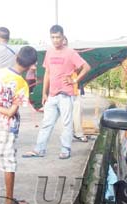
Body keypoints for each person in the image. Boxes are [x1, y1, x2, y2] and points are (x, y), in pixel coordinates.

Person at [0, 46, 37, 204]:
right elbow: (11, 112)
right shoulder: (22, 84)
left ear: (17, 56)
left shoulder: (0, 72)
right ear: (32, 65)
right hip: (5, 127)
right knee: (8, 162)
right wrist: (0, 108)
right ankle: (8, 200)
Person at [23, 25, 91, 160]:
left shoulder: (70, 53)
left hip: (66, 94)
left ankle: (65, 149)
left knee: (66, 124)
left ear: (63, 37)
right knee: (47, 123)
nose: (55, 40)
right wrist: (44, 93)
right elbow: (47, 73)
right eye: (53, 37)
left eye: (58, 37)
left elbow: (86, 67)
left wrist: (75, 80)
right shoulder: (49, 52)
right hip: (52, 95)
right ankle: (39, 149)